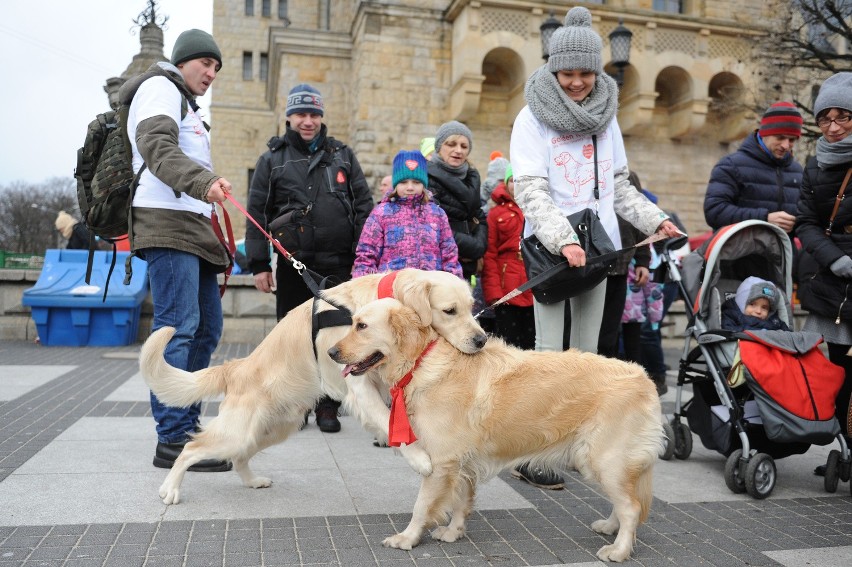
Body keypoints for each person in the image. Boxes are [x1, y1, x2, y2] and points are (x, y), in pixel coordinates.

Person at [508, 7, 679, 490]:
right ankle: (532, 452)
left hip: (599, 248)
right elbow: (531, 189)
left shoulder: (607, 115)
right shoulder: (531, 117)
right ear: (552, 69)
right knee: (548, 354)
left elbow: (620, 187)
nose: (578, 82)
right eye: (568, 73)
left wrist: (655, 219)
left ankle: (570, 445)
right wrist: (561, 237)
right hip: (551, 247)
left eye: (586, 72)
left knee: (586, 356)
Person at [122, 29, 233, 472]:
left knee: (206, 328)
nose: (211, 73)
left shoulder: (188, 104)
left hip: (193, 226)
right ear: (183, 60)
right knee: (178, 327)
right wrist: (204, 182)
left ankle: (187, 424)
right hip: (163, 223)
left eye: (217, 69)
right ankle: (173, 437)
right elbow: (156, 147)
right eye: (206, 63)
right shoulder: (157, 88)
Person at [245, 83, 373, 433]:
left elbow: (364, 207)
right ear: (289, 117)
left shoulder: (343, 155)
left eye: (314, 114)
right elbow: (256, 212)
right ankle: (296, 405)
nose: (308, 121)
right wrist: (258, 264)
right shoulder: (271, 159)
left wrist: (365, 258)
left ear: (321, 117)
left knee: (336, 337)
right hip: (293, 265)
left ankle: (328, 407)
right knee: (295, 338)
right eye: (301, 114)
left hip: (338, 265)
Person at [793, 72, 852, 476]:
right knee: (839, 373)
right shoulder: (814, 165)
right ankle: (846, 450)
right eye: (825, 119)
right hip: (833, 280)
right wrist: (833, 257)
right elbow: (806, 221)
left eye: (843, 117)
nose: (832, 127)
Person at [352, 150, 462, 278]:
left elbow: (449, 254)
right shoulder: (381, 213)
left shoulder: (437, 214)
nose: (410, 187)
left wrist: (454, 284)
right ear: (395, 184)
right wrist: (364, 287)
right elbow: (366, 254)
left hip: (429, 288)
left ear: (423, 184)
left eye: (416, 182)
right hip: (392, 289)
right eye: (403, 182)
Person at [704, 101, 803, 233]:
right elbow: (715, 212)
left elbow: (804, 220)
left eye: (792, 140)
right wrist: (764, 218)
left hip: (783, 252)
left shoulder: (797, 171)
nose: (786, 145)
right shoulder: (730, 165)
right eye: (780, 137)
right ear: (764, 133)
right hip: (738, 251)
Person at [597, 171, 651, 363]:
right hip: (591, 268)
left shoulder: (626, 175)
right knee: (589, 333)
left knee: (609, 334)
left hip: (619, 268)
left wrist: (643, 260)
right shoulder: (587, 169)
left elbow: (639, 216)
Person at [482, 164, 535, 349]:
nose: (517, 185)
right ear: (506, 184)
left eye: (521, 180)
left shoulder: (537, 209)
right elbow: (490, 255)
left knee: (532, 344)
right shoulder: (496, 214)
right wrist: (494, 292)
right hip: (507, 289)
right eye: (513, 180)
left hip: (534, 285)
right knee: (508, 344)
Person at [720, 276, 789, 332]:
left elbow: (787, 336)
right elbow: (728, 332)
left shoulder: (774, 321)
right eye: (752, 304)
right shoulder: (731, 315)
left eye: (764, 307)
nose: (758, 311)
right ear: (741, 303)